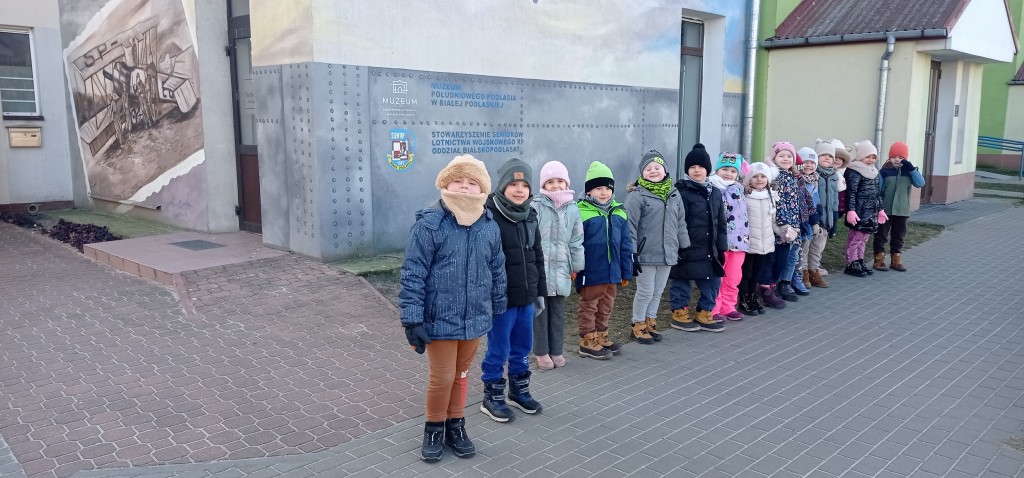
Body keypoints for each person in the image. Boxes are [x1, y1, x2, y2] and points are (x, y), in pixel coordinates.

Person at [398, 155, 507, 462]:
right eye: (458, 181)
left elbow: (497, 269)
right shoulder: (430, 225)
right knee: (442, 377)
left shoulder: (489, 226)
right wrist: (412, 319)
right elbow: (413, 273)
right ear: (445, 184)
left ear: (482, 189)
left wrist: (498, 306)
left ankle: (455, 426)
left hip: (475, 318)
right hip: (439, 319)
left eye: (472, 182)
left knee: (461, 374)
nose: (465, 187)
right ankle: (433, 428)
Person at [481, 158, 547, 423]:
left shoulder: (530, 215)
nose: (519, 190)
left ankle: (518, 391)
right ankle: (492, 396)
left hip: (526, 297)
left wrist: (539, 292)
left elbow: (537, 257)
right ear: (502, 186)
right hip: (501, 299)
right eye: (513, 184)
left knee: (522, 347)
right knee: (499, 349)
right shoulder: (489, 216)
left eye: (525, 185)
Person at [623, 149, 689, 344]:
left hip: (668, 252)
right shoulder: (637, 196)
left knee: (658, 290)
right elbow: (629, 226)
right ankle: (637, 324)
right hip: (646, 254)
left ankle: (650, 321)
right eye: (648, 168)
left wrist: (684, 245)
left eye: (657, 167)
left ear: (665, 170)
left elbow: (680, 221)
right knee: (645, 291)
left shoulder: (674, 194)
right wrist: (632, 252)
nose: (653, 171)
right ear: (642, 173)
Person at [575, 161, 633, 359]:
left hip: (612, 271)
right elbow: (575, 243)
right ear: (589, 191)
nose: (604, 192)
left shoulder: (619, 211)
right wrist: (576, 268)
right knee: (589, 305)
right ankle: (587, 340)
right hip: (591, 270)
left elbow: (625, 245)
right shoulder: (580, 211)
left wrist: (626, 271)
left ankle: (601, 335)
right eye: (598, 188)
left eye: (608, 188)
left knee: (606, 305)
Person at [531, 161, 584, 369]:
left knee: (558, 314)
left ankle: (556, 350)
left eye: (559, 181)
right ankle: (541, 352)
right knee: (540, 313)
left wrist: (576, 266)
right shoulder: (536, 205)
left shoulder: (573, 209)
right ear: (543, 184)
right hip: (540, 270)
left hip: (562, 270)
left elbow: (576, 240)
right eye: (550, 182)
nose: (555, 185)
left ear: (566, 183)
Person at [668, 143, 727, 332]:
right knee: (681, 280)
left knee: (713, 281)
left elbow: (721, 223)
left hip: (708, 248)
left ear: (707, 169)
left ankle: (704, 313)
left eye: (701, 166)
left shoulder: (715, 193)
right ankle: (679, 313)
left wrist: (722, 248)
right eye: (692, 167)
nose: (696, 170)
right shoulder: (681, 192)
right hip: (686, 248)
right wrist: (676, 246)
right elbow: (675, 222)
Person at [758, 142, 801, 307]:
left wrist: (797, 224)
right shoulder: (773, 177)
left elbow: (795, 204)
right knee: (771, 261)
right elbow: (777, 203)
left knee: (782, 261)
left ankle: (772, 286)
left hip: (791, 228)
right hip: (777, 228)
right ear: (774, 158)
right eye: (781, 155)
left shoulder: (793, 177)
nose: (786, 158)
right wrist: (783, 224)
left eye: (789, 156)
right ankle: (765, 290)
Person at [709, 152, 749, 322]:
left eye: (733, 171)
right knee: (717, 276)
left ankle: (728, 306)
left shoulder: (739, 189)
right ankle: (714, 308)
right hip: (720, 242)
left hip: (739, 242)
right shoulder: (711, 188)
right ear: (717, 170)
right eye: (724, 169)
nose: (728, 174)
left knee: (733, 277)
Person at [874, 141, 925, 271]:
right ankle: (879, 260)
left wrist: (912, 169)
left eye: (900, 157)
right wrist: (879, 207)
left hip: (902, 210)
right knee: (881, 235)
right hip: (885, 210)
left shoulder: (909, 172)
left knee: (899, 236)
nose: (897, 160)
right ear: (889, 157)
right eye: (893, 157)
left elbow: (920, 183)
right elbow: (878, 190)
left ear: (905, 158)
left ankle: (896, 260)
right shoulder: (884, 171)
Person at [738, 162, 777, 316]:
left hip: (765, 243)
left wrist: (784, 231)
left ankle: (753, 295)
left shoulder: (771, 196)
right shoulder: (745, 196)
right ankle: (743, 298)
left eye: (763, 176)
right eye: (755, 176)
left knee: (757, 272)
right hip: (749, 243)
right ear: (749, 179)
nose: (759, 179)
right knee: (746, 272)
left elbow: (773, 220)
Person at [843, 140, 887, 277]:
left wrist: (880, 209)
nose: (871, 160)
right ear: (860, 156)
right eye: (868, 156)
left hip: (871, 212)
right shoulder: (854, 171)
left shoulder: (874, 172)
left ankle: (860, 260)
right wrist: (851, 210)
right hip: (859, 212)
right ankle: (851, 262)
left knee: (864, 239)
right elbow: (851, 192)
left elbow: (877, 193)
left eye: (873, 157)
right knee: (855, 238)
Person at [806, 139, 840, 287]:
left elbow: (834, 199)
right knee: (806, 248)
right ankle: (804, 273)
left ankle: (814, 271)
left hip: (827, 219)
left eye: (830, 156)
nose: (827, 158)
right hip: (814, 218)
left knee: (818, 248)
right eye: (823, 155)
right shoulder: (814, 174)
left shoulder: (833, 176)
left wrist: (834, 218)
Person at [793, 147, 825, 294]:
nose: (809, 165)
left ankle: (813, 270)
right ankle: (803, 272)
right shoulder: (798, 180)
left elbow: (817, 202)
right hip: (801, 219)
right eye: (805, 162)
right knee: (803, 247)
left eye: (812, 163)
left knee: (816, 244)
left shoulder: (815, 180)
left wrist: (817, 221)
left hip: (812, 217)